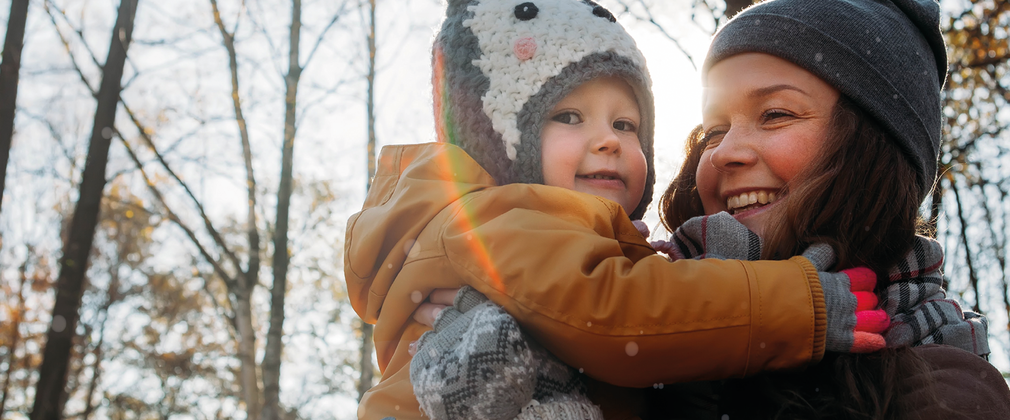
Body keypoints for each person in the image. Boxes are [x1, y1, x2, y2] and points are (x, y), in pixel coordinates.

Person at [344, 1, 888, 419]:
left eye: (625, 125)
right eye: (569, 116)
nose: (607, 141)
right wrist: (795, 306)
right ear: (502, 144)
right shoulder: (500, 220)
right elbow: (614, 311)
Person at [642, 0, 1009, 418]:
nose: (724, 151)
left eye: (775, 114)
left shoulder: (944, 390)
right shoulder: (632, 315)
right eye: (714, 130)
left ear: (871, 147)